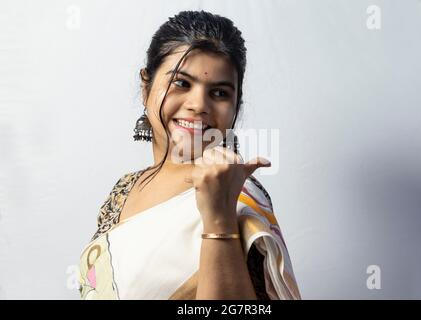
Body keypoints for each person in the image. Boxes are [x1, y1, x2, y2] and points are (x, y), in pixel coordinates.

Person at [77, 10, 301, 300]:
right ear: (146, 87)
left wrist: (218, 217)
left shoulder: (238, 197)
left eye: (219, 93)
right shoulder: (123, 189)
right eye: (181, 83)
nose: (198, 104)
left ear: (236, 105)